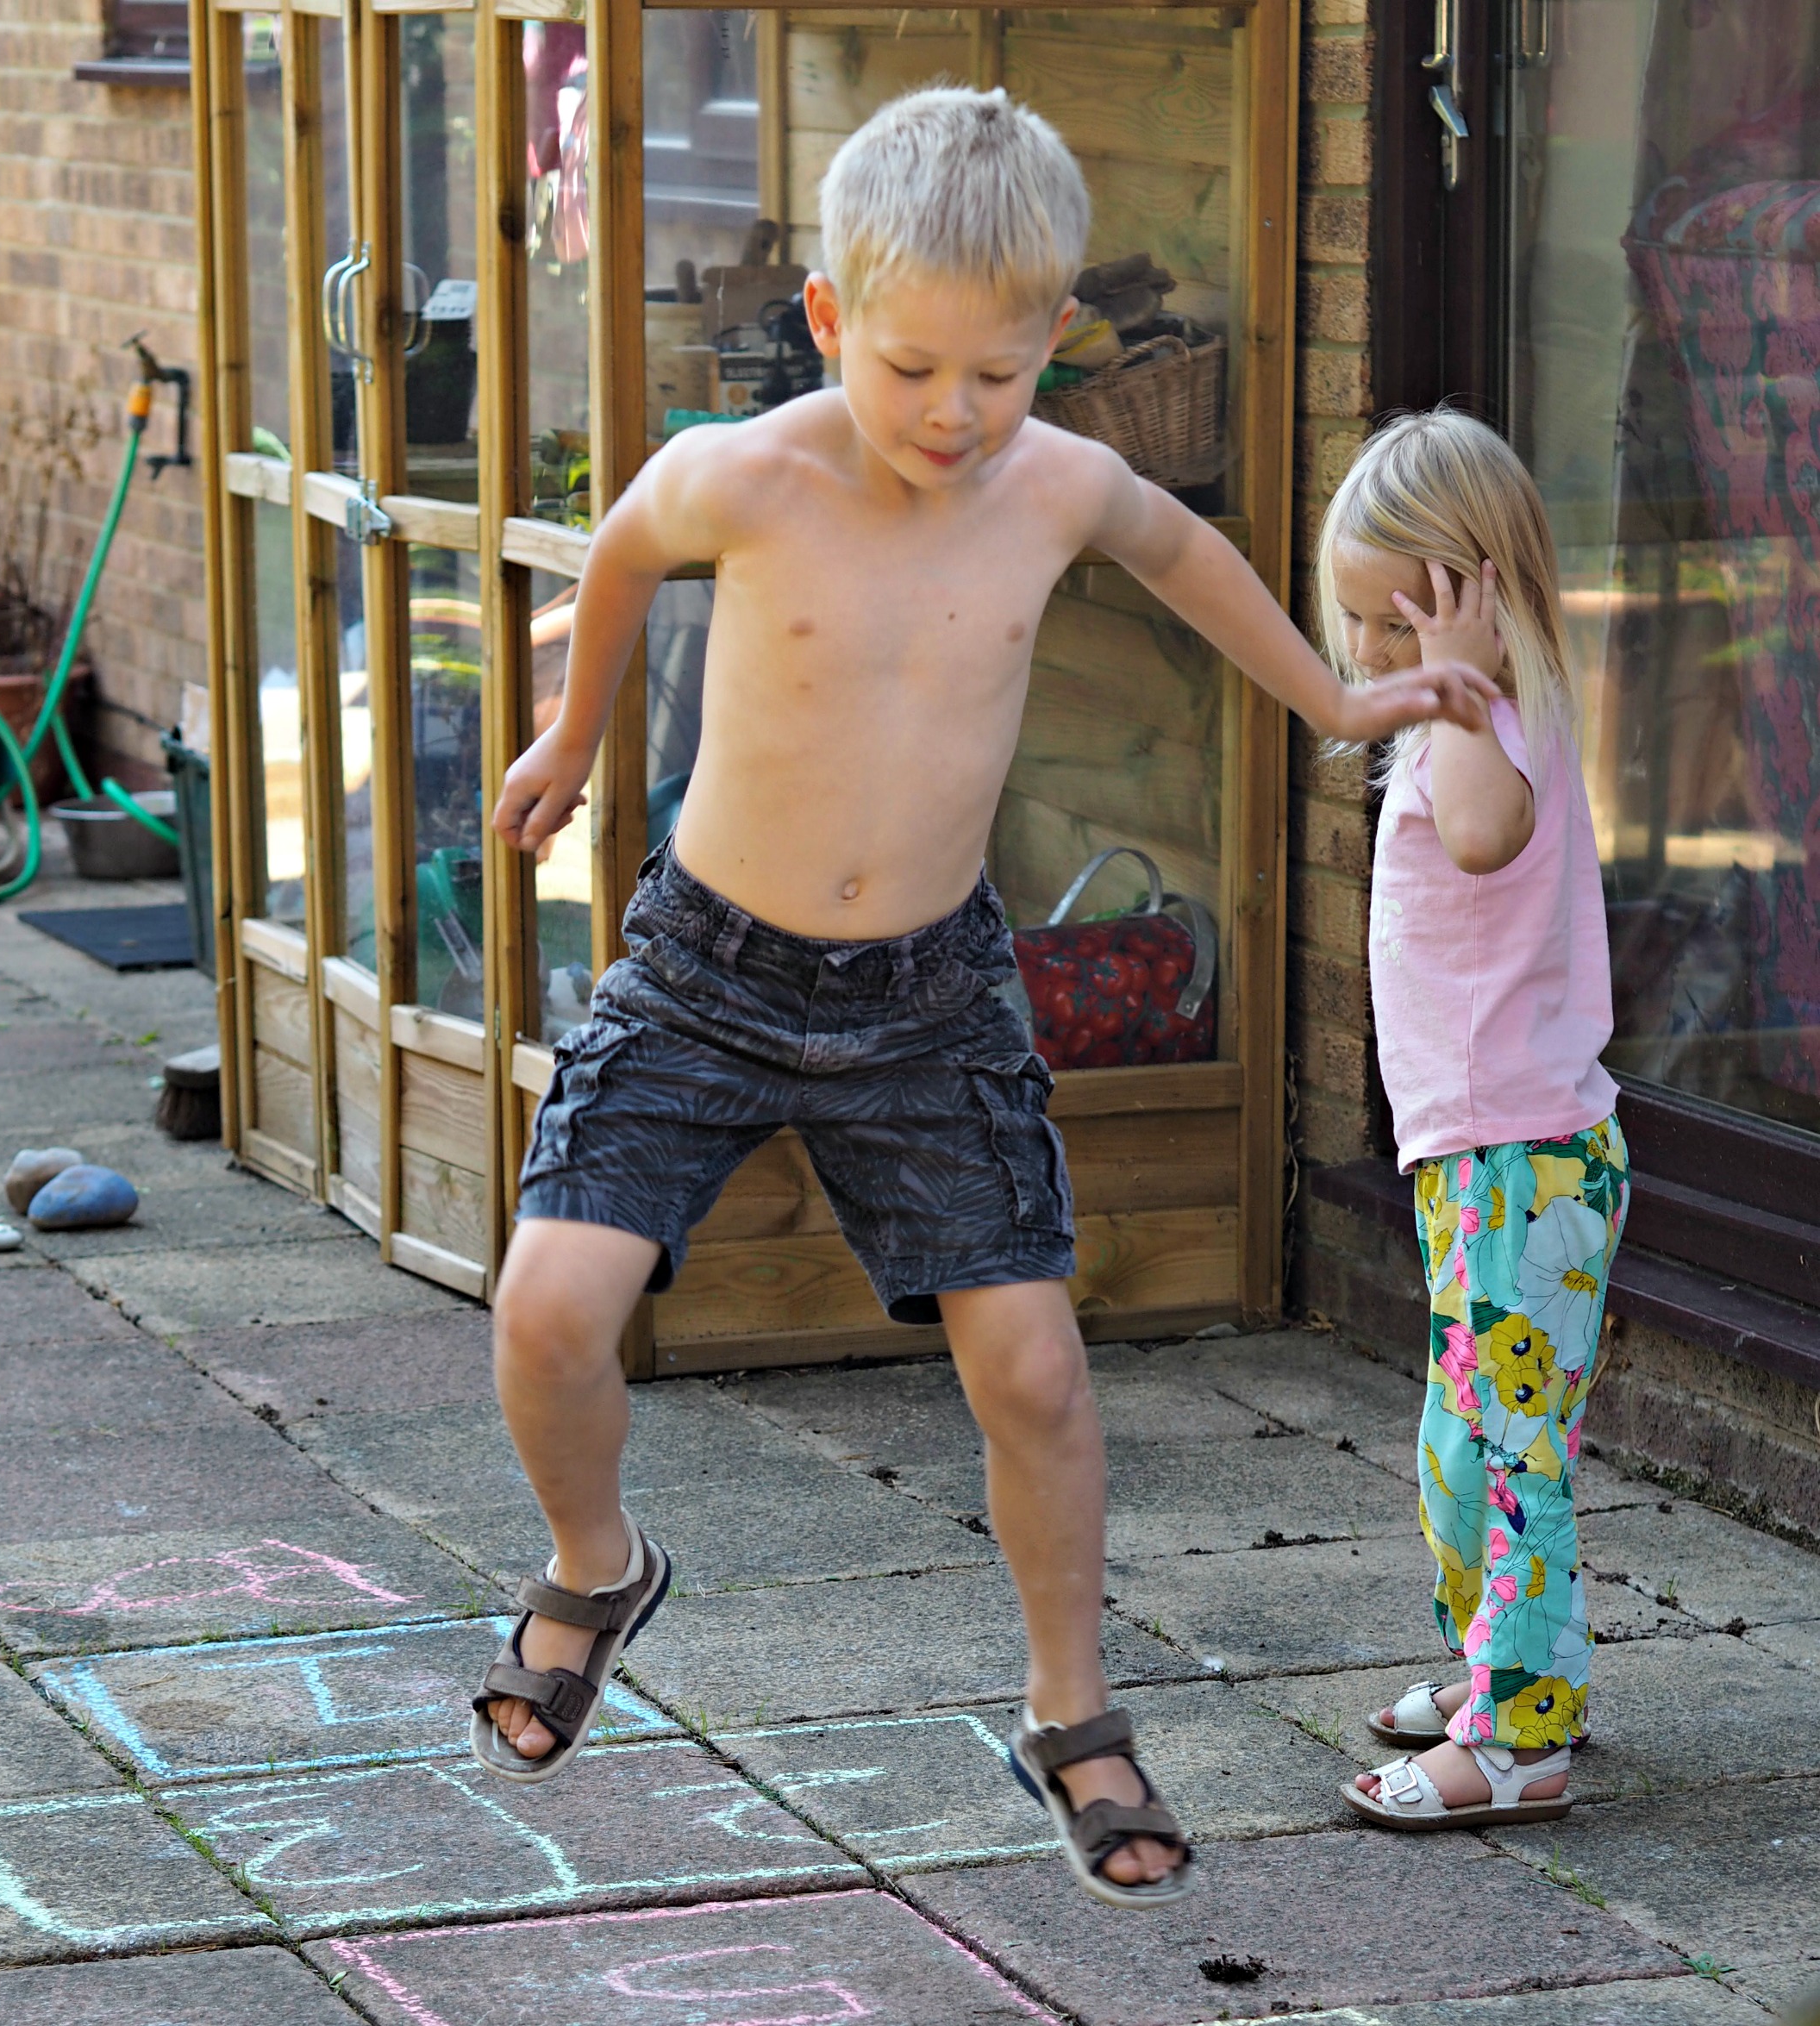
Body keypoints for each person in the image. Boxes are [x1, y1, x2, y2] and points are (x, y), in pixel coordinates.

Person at [471, 88, 1497, 1906]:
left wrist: (1338, 704)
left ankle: (1071, 1705)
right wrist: (572, 729)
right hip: (709, 966)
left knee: (1031, 1363)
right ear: (830, 321)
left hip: (935, 994)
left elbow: (1187, 559)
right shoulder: (748, 472)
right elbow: (621, 543)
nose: (955, 417)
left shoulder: (1063, 485)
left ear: (1054, 350)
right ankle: (592, 1560)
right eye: (913, 367)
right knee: (550, 1308)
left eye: (1000, 378)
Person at [1319, 410, 1631, 1832]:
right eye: (1363, 631)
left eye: (1399, 625)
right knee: (1466, 1438)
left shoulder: (1492, 726)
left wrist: (1448, 687)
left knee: (1505, 1449)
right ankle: (1506, 1670)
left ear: (1479, 594)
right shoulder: (1468, 721)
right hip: (1483, 1161)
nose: (1377, 659)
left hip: (1521, 1161)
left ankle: (1517, 1736)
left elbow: (1486, 838)